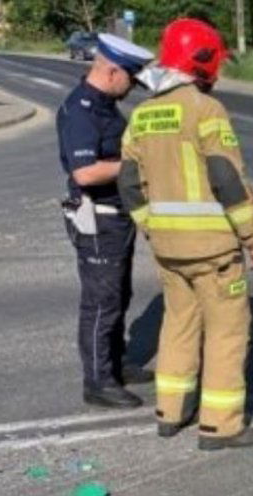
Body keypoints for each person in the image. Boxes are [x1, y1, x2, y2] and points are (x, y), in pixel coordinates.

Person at [117, 18, 253, 451]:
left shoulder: (143, 113)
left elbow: (128, 183)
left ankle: (170, 411)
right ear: (202, 61)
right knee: (226, 332)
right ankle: (220, 426)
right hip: (213, 248)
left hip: (167, 247)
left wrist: (151, 226)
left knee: (178, 324)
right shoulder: (205, 109)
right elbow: (226, 177)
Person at [57, 33, 155, 409]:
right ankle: (98, 381)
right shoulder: (80, 109)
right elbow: (85, 173)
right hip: (96, 219)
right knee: (101, 301)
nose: (132, 86)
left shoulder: (104, 105)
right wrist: (138, 166)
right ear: (112, 71)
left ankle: (114, 364)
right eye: (130, 77)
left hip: (117, 216)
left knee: (119, 294)